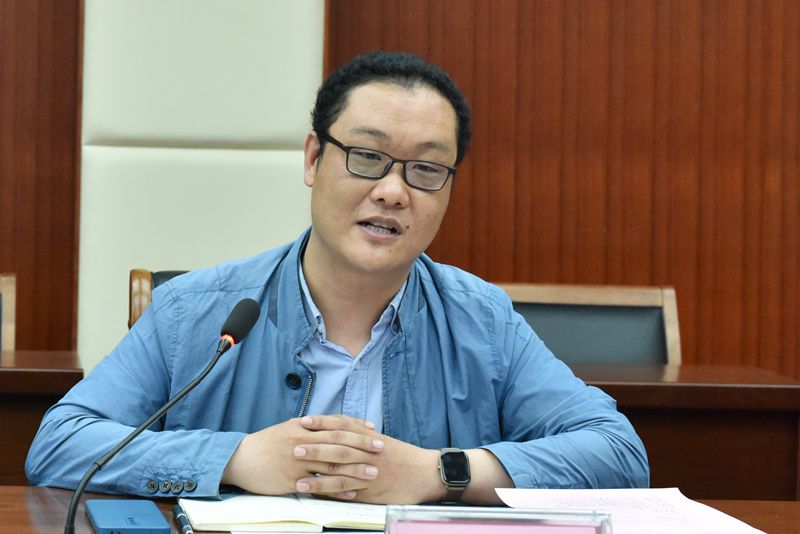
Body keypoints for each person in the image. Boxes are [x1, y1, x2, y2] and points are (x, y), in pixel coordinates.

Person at [26, 51, 649, 505]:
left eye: (426, 169)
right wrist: (236, 458)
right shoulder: (195, 311)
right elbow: (61, 443)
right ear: (313, 159)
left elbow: (617, 452)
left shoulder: (481, 320)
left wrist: (441, 472)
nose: (393, 191)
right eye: (367, 157)